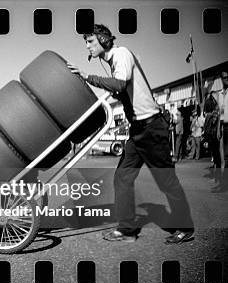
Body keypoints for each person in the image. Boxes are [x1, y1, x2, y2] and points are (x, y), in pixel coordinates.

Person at [68, 24, 195, 244]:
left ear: (103, 40)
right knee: (122, 178)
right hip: (138, 131)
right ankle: (127, 229)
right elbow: (120, 89)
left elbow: (119, 83)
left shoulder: (121, 53)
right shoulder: (112, 61)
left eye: (90, 41)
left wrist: (88, 77)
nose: (87, 46)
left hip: (152, 128)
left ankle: (185, 228)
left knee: (166, 182)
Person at [204, 95, 222, 186]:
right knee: (216, 158)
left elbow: (209, 128)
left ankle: (217, 178)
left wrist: (206, 139)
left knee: (216, 158)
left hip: (213, 138)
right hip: (214, 137)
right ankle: (216, 177)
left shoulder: (212, 114)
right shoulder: (214, 113)